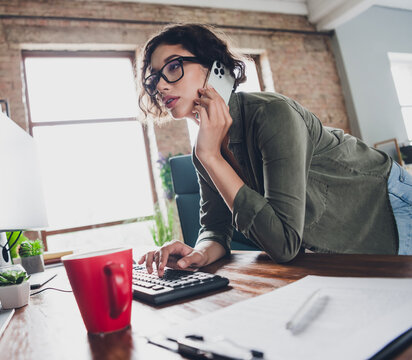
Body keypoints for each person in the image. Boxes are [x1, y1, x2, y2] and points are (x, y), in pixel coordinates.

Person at [137, 23, 412, 277]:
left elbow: (284, 246)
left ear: (214, 68)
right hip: (335, 240)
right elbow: (215, 228)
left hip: (385, 204)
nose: (160, 86)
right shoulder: (206, 149)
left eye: (173, 67)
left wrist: (211, 158)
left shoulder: (272, 114)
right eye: (154, 80)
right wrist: (198, 253)